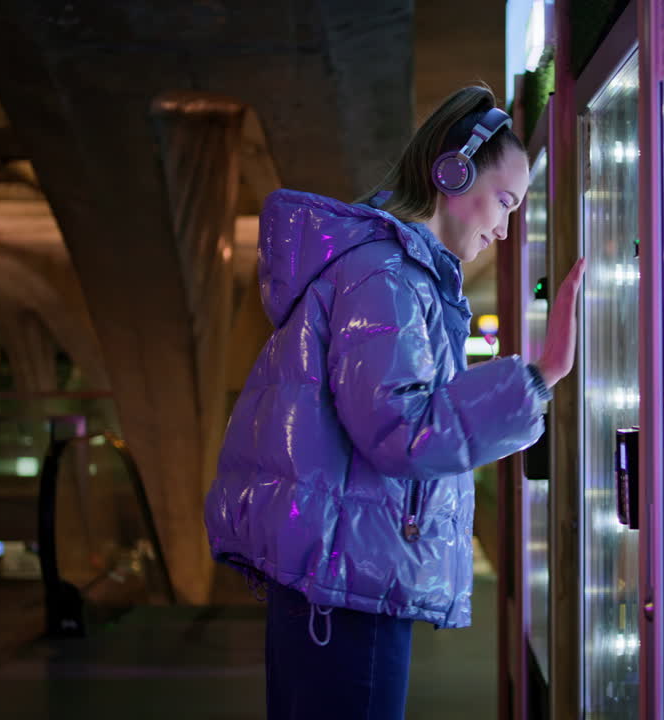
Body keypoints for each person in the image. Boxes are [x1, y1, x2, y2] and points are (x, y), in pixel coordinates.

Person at [204, 85, 586, 719]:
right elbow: (401, 430)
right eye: (504, 201)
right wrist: (539, 375)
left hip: (338, 570)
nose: (505, 226)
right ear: (452, 171)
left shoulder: (390, 271)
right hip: (351, 581)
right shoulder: (388, 275)